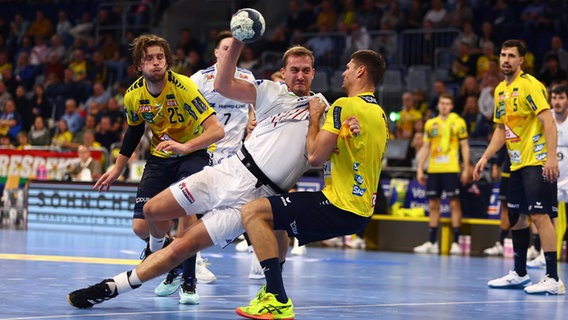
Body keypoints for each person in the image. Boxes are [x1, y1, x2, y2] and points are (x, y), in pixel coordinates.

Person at [67, 40, 327, 310]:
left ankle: (111, 287)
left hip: (258, 197)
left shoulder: (324, 109)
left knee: (185, 245)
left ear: (313, 73)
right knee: (153, 211)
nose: (300, 75)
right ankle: (160, 254)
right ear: (283, 73)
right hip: (231, 170)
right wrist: (238, 40)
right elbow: (222, 85)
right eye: (294, 70)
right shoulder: (268, 90)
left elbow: (318, 154)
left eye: (306, 70)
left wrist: (324, 120)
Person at [235, 49, 387, 319]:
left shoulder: (344, 105)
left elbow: (315, 156)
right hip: (360, 211)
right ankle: (272, 292)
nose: (344, 72)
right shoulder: (380, 115)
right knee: (275, 217)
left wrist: (315, 117)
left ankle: (278, 298)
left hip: (338, 204)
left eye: (349, 67)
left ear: (361, 71)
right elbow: (354, 149)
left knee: (252, 212)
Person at [92, 34, 225, 305]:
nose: (155, 63)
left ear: (167, 61)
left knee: (188, 216)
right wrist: (118, 167)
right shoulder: (133, 96)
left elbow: (217, 130)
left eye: (160, 57)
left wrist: (185, 147)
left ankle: (189, 283)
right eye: (149, 58)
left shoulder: (183, 86)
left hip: (193, 153)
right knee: (141, 226)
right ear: (139, 66)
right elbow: (134, 130)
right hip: (159, 156)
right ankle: (172, 265)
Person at [473, 39, 565, 295]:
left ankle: (553, 278)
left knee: (540, 215)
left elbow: (548, 121)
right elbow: (502, 129)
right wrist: (485, 157)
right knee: (516, 217)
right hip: (515, 162)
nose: (505, 59)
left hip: (536, 160)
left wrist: (550, 157)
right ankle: (520, 273)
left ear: (521, 60)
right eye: (503, 55)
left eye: (511, 55)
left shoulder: (530, 85)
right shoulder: (499, 90)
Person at [413, 93, 470, 255]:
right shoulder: (431, 124)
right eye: (442, 103)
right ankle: (432, 242)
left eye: (447, 103)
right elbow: (426, 147)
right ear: (438, 105)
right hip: (434, 168)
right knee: (433, 205)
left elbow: (465, 146)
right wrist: (420, 168)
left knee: (454, 204)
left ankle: (456, 243)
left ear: (451, 106)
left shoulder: (459, 122)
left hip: (451, 168)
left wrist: (466, 168)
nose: (444, 106)